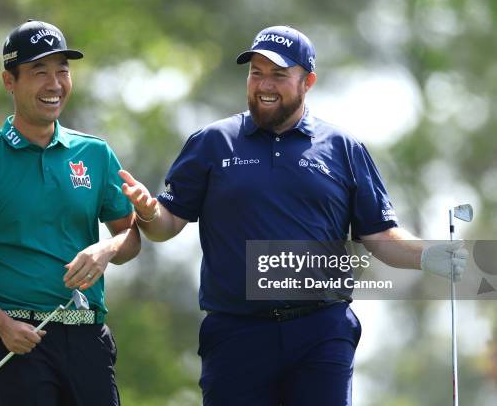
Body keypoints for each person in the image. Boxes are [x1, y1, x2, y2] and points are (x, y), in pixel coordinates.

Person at [118, 25, 467, 405]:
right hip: (237, 330)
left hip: (321, 328)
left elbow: (379, 237)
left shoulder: (342, 148)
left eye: (279, 75)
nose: (264, 84)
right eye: (256, 72)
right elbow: (167, 225)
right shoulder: (213, 142)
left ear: (308, 81)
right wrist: (149, 213)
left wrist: (428, 254)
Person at [0, 20, 139, 405]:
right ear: (9, 82)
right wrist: (2, 326)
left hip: (88, 336)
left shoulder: (95, 154)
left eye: (62, 70)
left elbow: (130, 237)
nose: (55, 84)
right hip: (17, 342)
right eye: (39, 72)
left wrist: (107, 249)